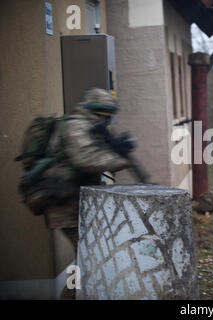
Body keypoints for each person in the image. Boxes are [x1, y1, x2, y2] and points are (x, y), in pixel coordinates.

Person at [16, 88, 133, 297]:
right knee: (88, 257)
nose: (106, 118)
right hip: (63, 202)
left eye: (109, 114)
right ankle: (70, 294)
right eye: (103, 112)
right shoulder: (75, 126)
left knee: (88, 256)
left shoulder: (91, 127)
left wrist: (116, 150)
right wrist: (120, 159)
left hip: (74, 201)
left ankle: (75, 293)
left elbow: (96, 157)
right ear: (93, 109)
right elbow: (86, 160)